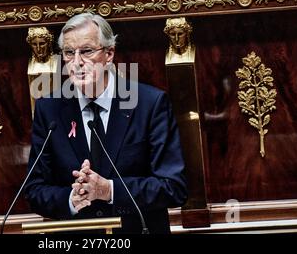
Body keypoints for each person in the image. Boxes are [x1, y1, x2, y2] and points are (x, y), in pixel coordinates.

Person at [24, 13, 188, 233]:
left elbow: (173, 187)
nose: (77, 62)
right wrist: (71, 199)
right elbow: (34, 191)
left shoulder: (149, 104)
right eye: (69, 53)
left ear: (109, 54)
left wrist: (109, 190)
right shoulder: (49, 110)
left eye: (87, 51)